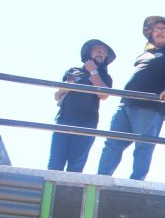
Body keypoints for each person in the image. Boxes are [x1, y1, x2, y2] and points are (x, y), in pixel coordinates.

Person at [97, 16, 165, 181]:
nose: (160, 32)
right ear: (151, 33)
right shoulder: (144, 55)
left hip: (150, 106)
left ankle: (136, 182)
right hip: (126, 103)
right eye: (157, 29)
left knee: (143, 146)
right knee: (112, 143)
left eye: (164, 29)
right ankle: (101, 178)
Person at [48, 39, 115, 172]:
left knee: (76, 165)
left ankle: (69, 187)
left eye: (104, 52)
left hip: (87, 124)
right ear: (89, 52)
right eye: (98, 50)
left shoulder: (105, 77)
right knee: (55, 162)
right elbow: (57, 96)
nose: (101, 53)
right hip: (64, 120)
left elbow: (103, 95)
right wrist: (68, 85)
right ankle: (50, 186)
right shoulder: (73, 71)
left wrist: (93, 72)